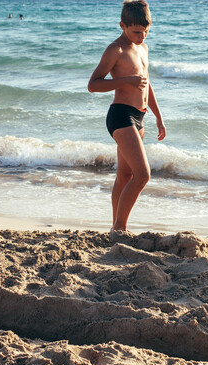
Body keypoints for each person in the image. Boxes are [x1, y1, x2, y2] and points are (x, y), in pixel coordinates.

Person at [87, 0, 166, 232]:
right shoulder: (116, 49)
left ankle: (115, 226)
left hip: (139, 117)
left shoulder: (143, 48)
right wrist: (125, 81)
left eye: (146, 31)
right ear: (122, 25)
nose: (142, 36)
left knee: (124, 176)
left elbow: (147, 84)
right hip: (120, 116)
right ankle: (119, 229)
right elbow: (93, 85)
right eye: (136, 32)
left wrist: (158, 117)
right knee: (142, 175)